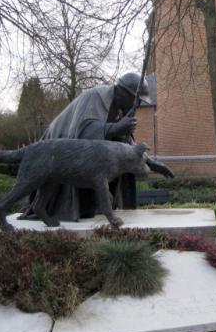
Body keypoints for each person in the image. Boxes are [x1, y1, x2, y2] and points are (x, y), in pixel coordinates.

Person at [19, 72, 173, 222]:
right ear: (125, 94)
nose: (138, 105)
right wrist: (115, 128)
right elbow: (83, 134)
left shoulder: (121, 111)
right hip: (56, 149)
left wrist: (153, 164)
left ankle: (99, 209)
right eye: (137, 100)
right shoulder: (95, 96)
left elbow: (127, 149)